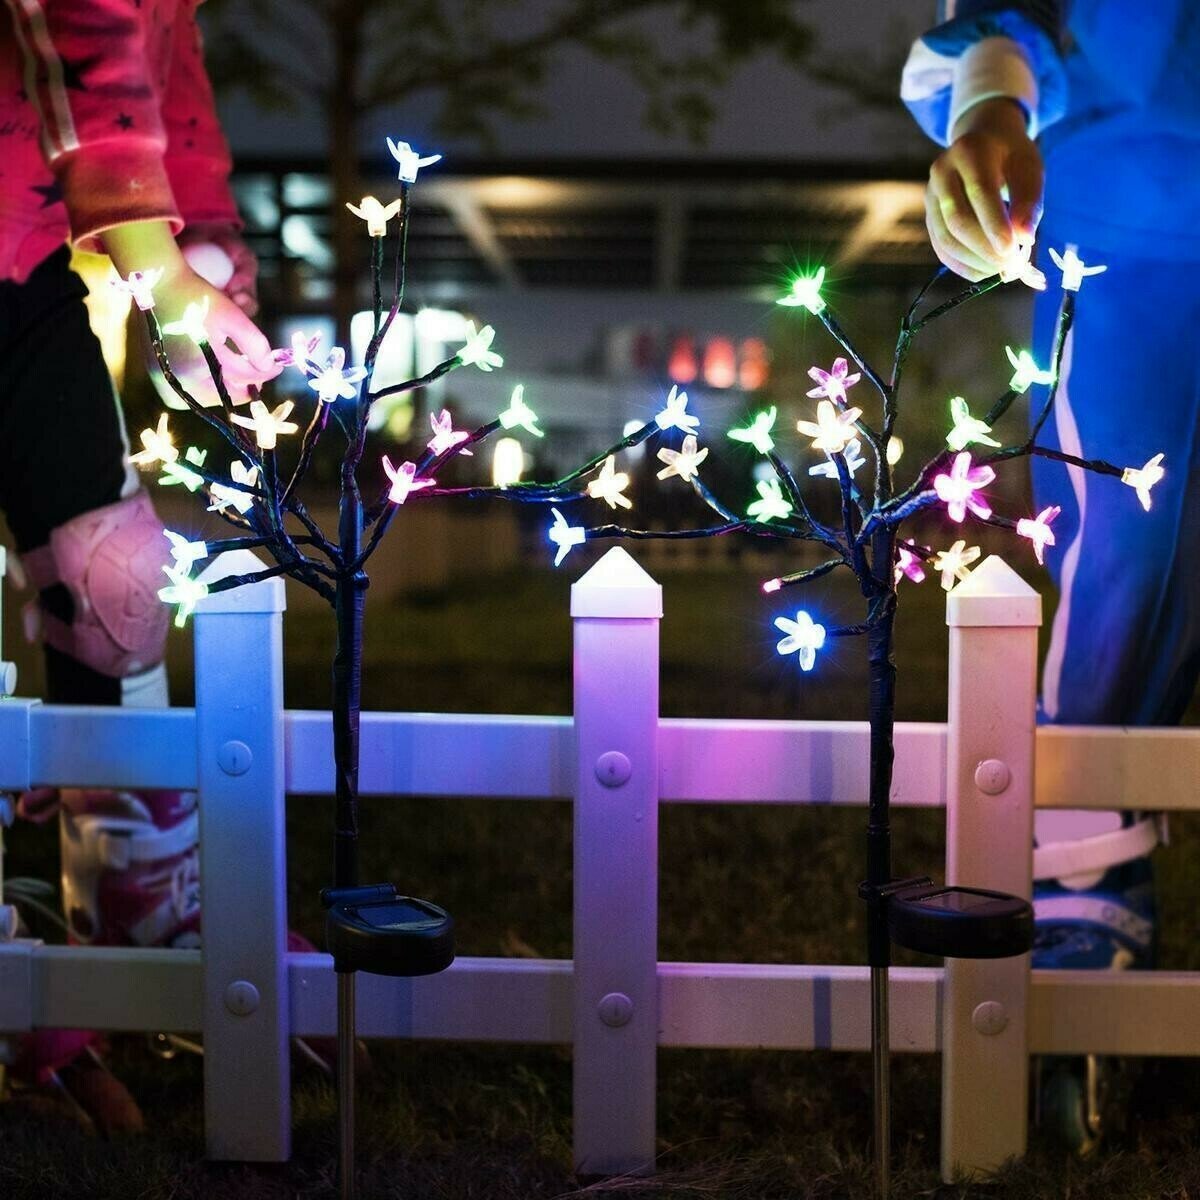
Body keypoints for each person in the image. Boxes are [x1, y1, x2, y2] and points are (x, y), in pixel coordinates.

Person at [902, 0, 1199, 1150]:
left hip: (1118, 207)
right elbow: (1000, 18)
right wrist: (988, 100)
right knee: (1125, 559)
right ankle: (1084, 883)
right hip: (1124, 233)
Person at [0, 0, 280, 1131]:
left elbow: (159, 48)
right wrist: (162, 275)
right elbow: (87, 21)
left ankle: (135, 917)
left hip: (20, 261)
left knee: (113, 579)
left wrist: (200, 223)